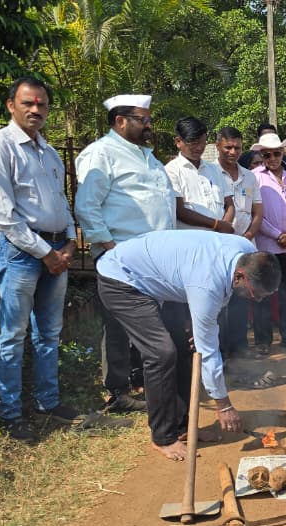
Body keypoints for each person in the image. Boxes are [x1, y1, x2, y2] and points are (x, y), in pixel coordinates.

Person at [95, 230, 281, 460]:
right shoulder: (207, 285)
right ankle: (162, 438)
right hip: (122, 280)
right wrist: (223, 404)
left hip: (166, 281)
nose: (258, 300)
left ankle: (184, 428)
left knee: (185, 348)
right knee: (161, 353)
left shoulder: (245, 249)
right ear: (239, 277)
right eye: (255, 294)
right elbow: (209, 350)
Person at [0, 77, 83, 440]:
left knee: (49, 333)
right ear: (11, 106)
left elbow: (61, 202)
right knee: (12, 335)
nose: (36, 110)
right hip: (21, 254)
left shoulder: (50, 153)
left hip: (57, 252)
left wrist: (69, 243)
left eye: (42, 105)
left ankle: (47, 403)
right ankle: (10, 414)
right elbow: (3, 215)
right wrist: (45, 253)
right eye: (28, 104)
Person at [75, 93, 177, 415]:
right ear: (120, 121)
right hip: (121, 256)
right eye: (142, 120)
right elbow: (86, 205)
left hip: (155, 258)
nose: (149, 126)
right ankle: (118, 392)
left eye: (149, 119)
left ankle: (147, 383)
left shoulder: (148, 157)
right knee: (118, 325)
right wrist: (109, 247)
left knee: (151, 321)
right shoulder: (101, 154)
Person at [249, 132, 286, 354]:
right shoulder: (254, 177)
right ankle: (263, 340)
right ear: (261, 155)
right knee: (263, 294)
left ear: (283, 152)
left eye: (276, 153)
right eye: (267, 155)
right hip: (267, 245)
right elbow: (255, 213)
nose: (272, 158)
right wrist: (277, 235)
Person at [213, 126, 264, 354]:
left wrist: (248, 237)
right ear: (218, 147)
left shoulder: (249, 177)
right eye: (228, 147)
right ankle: (220, 350)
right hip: (217, 249)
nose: (233, 152)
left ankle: (240, 348)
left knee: (241, 299)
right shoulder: (209, 174)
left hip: (244, 249)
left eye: (237, 147)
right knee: (217, 301)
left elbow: (257, 213)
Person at [167, 117, 235, 233]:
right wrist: (217, 224)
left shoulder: (215, 169)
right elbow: (180, 211)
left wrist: (225, 226)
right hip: (192, 243)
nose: (199, 147)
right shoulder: (171, 171)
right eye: (193, 143)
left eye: (202, 142)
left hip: (220, 239)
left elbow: (229, 205)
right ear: (178, 142)